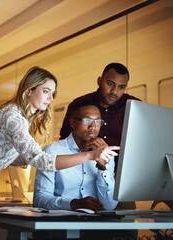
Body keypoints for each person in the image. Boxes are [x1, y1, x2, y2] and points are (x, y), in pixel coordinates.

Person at [0, 66, 120, 240]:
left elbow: (11, 155)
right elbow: (41, 161)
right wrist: (89, 156)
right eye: (45, 91)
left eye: (52, 93)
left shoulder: (22, 116)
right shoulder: (14, 118)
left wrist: (32, 158)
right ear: (28, 90)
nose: (50, 98)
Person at [33, 101, 119, 239]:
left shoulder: (106, 154)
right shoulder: (53, 151)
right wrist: (73, 203)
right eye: (87, 120)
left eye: (98, 121)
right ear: (72, 123)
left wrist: (103, 166)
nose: (93, 126)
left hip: (95, 229)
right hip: (59, 227)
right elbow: (40, 199)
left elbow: (109, 206)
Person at [59, 63, 139, 211]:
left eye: (121, 87)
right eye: (110, 84)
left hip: (120, 184)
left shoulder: (135, 107)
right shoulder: (79, 105)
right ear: (99, 81)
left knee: (124, 232)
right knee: (83, 230)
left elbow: (144, 148)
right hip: (83, 179)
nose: (114, 91)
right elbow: (65, 142)